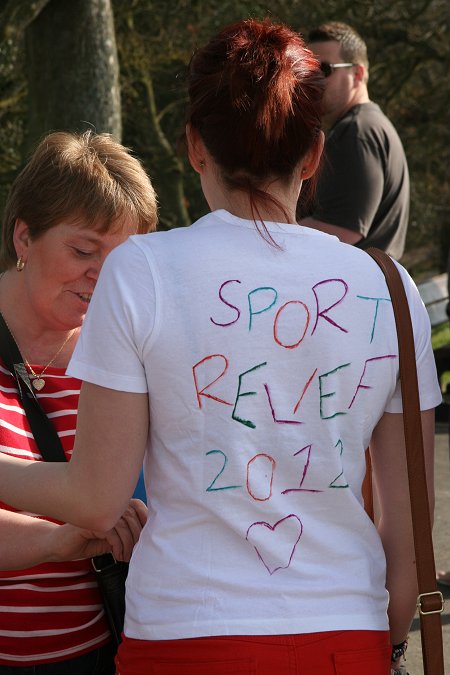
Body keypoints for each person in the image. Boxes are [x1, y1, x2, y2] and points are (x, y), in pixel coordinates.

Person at [0, 19, 442, 675]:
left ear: (194, 146)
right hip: (344, 634)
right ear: (315, 154)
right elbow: (410, 543)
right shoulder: (389, 286)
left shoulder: (143, 270)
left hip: (184, 636)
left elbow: (96, 498)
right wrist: (387, 635)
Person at [0, 130, 157, 673]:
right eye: (84, 250)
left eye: (122, 259)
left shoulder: (129, 350)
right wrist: (57, 539)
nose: (104, 275)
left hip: (101, 651)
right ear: (24, 238)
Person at [297, 21, 410, 260]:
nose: (313, 79)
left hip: (355, 292)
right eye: (308, 69)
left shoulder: (357, 132)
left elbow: (343, 231)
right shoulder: (365, 126)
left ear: (357, 73)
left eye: (324, 69)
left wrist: (273, 232)